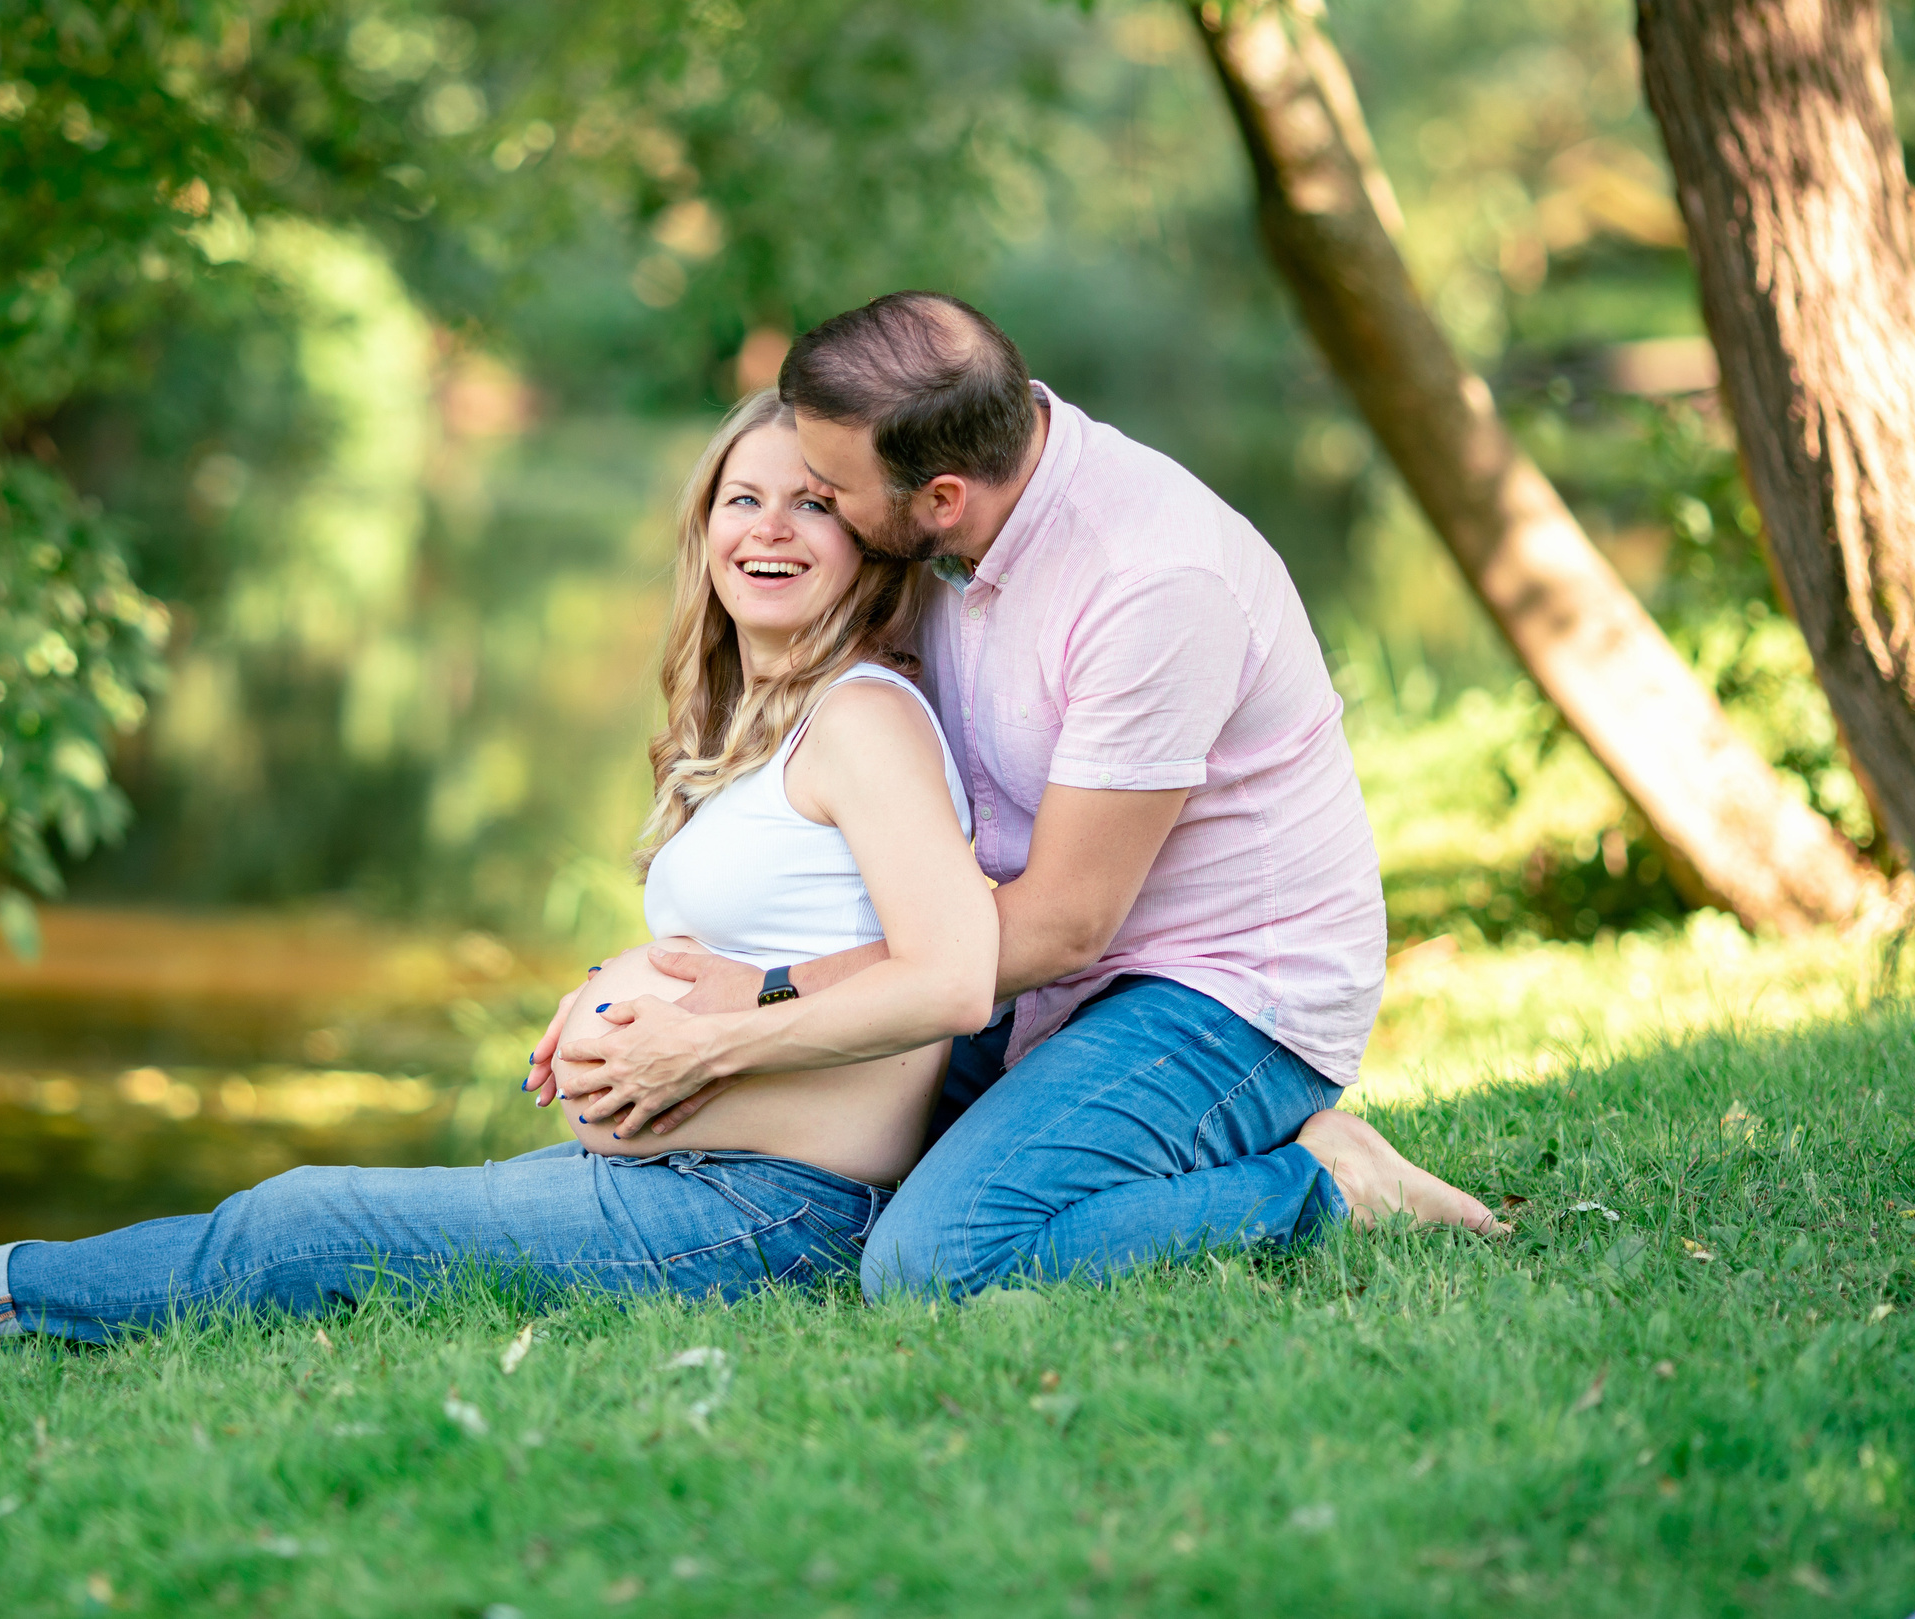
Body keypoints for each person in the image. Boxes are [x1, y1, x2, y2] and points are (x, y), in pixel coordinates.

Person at [0, 393, 1004, 1367]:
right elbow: (783, 943)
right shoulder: (760, 724)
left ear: (867, 540)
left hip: (768, 1215)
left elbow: (950, 976)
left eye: (812, 504)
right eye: (742, 498)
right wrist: (624, 988)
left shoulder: (862, 718)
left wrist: (698, 1037)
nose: (769, 528)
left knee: (308, 1222)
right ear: (703, 528)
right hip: (697, 1187)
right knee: (317, 1245)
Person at [539, 291, 1503, 1300]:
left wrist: (769, 989)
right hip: (1019, 978)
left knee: (935, 1258)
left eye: (829, 491)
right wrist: (637, 990)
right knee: (856, 1171)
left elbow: (1061, 926)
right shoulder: (946, 511)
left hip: (1219, 994)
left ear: (940, 497)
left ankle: (1328, 1184)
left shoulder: (1152, 582)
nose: (809, 500)